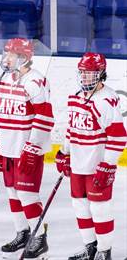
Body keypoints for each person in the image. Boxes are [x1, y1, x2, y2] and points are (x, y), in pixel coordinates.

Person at [56, 52, 126, 260]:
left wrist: (108, 164)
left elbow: (118, 137)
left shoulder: (107, 99)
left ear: (101, 74)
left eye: (91, 74)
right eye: (83, 73)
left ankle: (105, 252)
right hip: (78, 165)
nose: (85, 78)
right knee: (80, 207)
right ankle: (90, 248)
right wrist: (63, 152)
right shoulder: (76, 97)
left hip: (97, 167)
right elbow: (71, 129)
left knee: (100, 209)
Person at [0, 38, 54, 259]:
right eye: (6, 53)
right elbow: (1, 114)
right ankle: (22, 232)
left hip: (26, 149)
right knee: (12, 192)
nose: (6, 58)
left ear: (23, 57)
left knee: (26, 194)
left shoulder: (35, 81)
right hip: (8, 148)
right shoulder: (6, 79)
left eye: (11, 54)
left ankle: (39, 238)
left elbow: (45, 117)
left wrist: (32, 147)